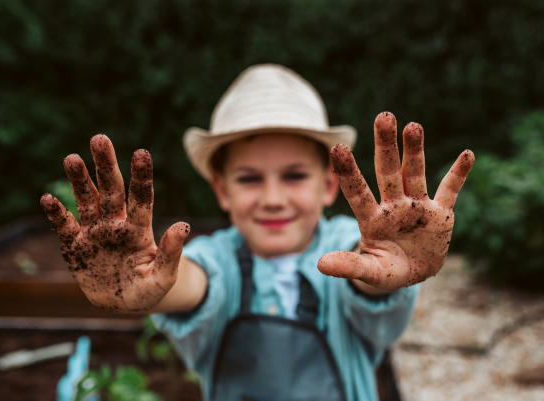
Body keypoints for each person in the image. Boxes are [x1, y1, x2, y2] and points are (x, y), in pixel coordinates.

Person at [40, 64, 474, 401]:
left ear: (328, 184)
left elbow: (372, 278)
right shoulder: (219, 258)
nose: (272, 198)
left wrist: (389, 269)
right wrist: (148, 282)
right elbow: (189, 283)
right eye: (249, 179)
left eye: (293, 176)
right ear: (221, 190)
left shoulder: (350, 243)